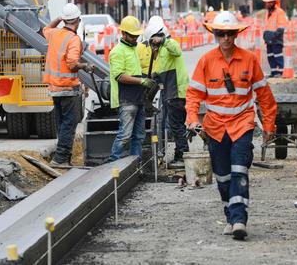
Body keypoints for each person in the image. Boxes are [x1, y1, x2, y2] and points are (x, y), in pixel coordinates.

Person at [186, 12, 277, 240]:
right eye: (221, 33)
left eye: (230, 34)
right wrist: (192, 119)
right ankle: (230, 215)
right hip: (215, 128)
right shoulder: (206, 61)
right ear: (215, 34)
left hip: (242, 125)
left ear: (236, 34)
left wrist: (268, 125)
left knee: (239, 172)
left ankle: (239, 220)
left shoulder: (248, 59)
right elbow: (194, 94)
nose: (226, 38)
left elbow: (265, 95)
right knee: (223, 177)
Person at [43, 3, 94, 166]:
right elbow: (72, 63)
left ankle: (64, 157)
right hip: (67, 88)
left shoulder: (54, 34)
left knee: (61, 123)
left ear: (65, 20)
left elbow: (45, 29)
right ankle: (60, 159)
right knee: (69, 124)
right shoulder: (74, 39)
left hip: (54, 88)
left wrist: (58, 18)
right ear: (78, 20)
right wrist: (85, 66)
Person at [136, 16, 189, 165]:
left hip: (176, 91)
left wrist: (163, 40)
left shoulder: (169, 44)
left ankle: (182, 155)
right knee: (175, 124)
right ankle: (181, 153)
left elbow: (177, 50)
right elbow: (164, 69)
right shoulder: (162, 51)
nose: (152, 46)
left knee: (176, 125)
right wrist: (155, 77)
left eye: (153, 42)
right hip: (170, 91)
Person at [105, 16, 156, 162]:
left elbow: (134, 71)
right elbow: (120, 76)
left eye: (136, 36)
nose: (135, 38)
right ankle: (113, 162)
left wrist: (147, 77)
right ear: (124, 34)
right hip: (126, 99)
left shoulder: (133, 49)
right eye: (132, 36)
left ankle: (136, 163)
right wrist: (141, 80)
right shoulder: (117, 52)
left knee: (138, 135)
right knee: (125, 135)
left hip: (137, 99)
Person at [262, 0, 288, 77]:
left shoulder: (280, 12)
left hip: (276, 39)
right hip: (269, 39)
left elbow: (281, 27)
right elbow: (267, 25)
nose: (268, 4)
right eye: (267, 2)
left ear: (274, 3)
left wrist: (273, 37)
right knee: (270, 56)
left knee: (277, 55)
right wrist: (265, 36)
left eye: (269, 2)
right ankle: (274, 72)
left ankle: (280, 72)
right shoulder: (268, 13)